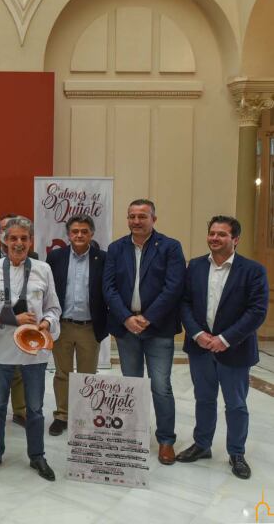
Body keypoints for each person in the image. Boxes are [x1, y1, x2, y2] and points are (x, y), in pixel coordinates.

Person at [176, 216, 268, 479]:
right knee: (203, 400)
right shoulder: (194, 266)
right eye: (212, 233)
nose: (215, 238)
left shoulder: (253, 270)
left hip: (234, 350)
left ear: (235, 239)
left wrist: (225, 339)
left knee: (236, 404)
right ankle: (202, 445)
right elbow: (184, 303)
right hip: (200, 348)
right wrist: (196, 333)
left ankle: (236, 453)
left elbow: (257, 311)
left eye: (222, 234)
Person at [0, 216, 60, 481]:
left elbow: (54, 307)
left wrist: (47, 321)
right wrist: (13, 318)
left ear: (30, 241)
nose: (19, 243)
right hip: (2, 348)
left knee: (35, 408)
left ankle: (37, 456)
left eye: (24, 238)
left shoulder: (43, 269)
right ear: (4, 240)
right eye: (13, 238)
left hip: (35, 349)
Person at [103, 199, 185, 465]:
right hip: (127, 330)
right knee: (132, 385)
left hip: (158, 329)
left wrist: (147, 318)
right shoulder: (116, 248)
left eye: (142, 216)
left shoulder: (170, 247)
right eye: (131, 216)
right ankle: (134, 435)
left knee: (161, 386)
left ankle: (166, 441)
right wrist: (126, 317)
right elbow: (109, 288)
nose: (136, 221)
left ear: (154, 219)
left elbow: (173, 288)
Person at [45, 215, 107, 436]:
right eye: (75, 231)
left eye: (84, 231)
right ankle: (62, 415)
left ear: (91, 233)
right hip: (63, 325)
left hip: (89, 328)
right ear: (68, 234)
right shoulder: (55, 258)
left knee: (87, 376)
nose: (79, 235)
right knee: (62, 373)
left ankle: (84, 416)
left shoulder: (103, 258)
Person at [0, 212, 34, 427]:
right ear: (1, 234)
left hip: (25, 324)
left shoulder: (35, 258)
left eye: (22, 236)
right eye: (6, 231)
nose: (16, 241)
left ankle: (20, 411)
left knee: (20, 370)